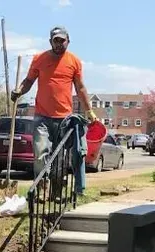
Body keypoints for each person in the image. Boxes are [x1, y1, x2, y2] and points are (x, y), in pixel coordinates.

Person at [11, 26, 96, 177]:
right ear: (50, 41)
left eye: (62, 41)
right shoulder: (39, 59)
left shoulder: (74, 61)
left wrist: (89, 111)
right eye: (55, 41)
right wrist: (19, 91)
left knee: (59, 158)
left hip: (64, 118)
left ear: (68, 41)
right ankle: (42, 185)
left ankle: (56, 190)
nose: (59, 44)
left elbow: (80, 88)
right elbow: (29, 80)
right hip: (42, 116)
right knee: (40, 152)